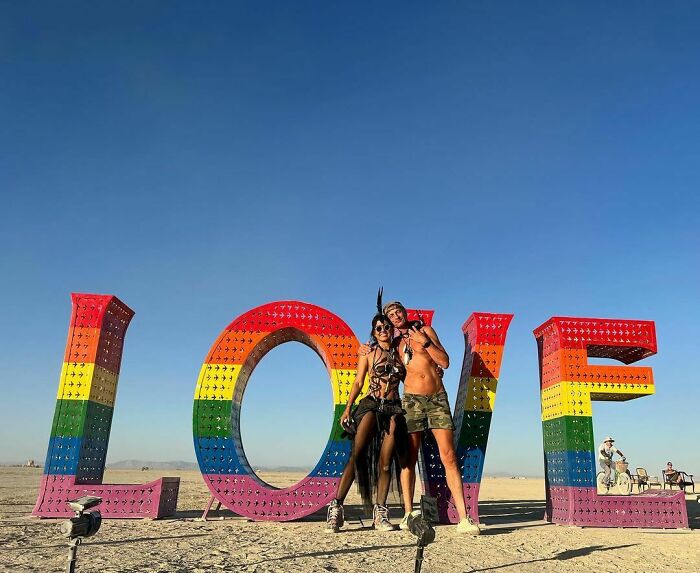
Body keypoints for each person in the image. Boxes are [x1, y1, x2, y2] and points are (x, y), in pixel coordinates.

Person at [380, 300, 480, 535]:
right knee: (409, 457)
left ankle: (464, 519)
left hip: (436, 399)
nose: (396, 316)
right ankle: (407, 513)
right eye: (391, 315)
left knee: (449, 456)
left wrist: (424, 343)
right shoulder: (394, 344)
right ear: (390, 321)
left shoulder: (424, 331)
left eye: (398, 312)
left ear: (405, 313)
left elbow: (444, 361)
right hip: (412, 401)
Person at [325, 311, 408, 533]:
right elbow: (358, 382)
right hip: (371, 404)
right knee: (357, 454)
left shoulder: (401, 352)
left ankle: (380, 513)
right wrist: (348, 409)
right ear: (373, 332)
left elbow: (415, 371)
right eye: (379, 328)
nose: (383, 331)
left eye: (387, 327)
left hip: (392, 408)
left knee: (385, 461)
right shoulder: (368, 353)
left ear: (392, 330)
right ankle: (336, 508)